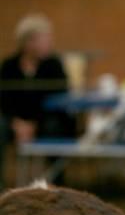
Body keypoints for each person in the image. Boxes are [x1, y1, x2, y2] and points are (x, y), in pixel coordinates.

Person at [0, 14, 72, 187]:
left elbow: (60, 99)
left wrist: (33, 124)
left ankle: (57, 185)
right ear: (28, 42)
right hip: (15, 124)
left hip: (44, 122)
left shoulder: (54, 65)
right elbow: (3, 101)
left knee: (56, 127)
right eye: (45, 38)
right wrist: (16, 124)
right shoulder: (8, 66)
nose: (50, 43)